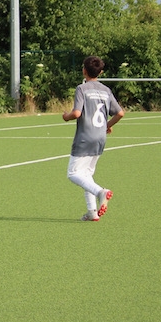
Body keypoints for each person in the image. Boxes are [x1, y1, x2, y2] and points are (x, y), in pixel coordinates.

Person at [62, 55, 124, 221]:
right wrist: (106, 126)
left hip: (85, 137)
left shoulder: (82, 89)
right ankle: (92, 212)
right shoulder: (106, 90)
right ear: (101, 72)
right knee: (86, 174)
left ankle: (100, 192)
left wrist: (66, 116)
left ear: (84, 70)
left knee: (73, 174)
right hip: (100, 138)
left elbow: (77, 113)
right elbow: (120, 113)